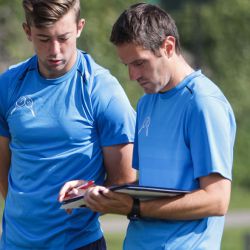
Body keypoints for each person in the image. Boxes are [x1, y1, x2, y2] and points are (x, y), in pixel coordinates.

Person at [59, 2, 237, 250]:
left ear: (168, 46)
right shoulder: (146, 103)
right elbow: (150, 187)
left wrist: (134, 207)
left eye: (139, 63)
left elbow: (217, 200)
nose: (132, 75)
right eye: (127, 65)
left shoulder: (203, 104)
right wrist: (93, 192)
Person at [0, 0, 136, 249]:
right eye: (43, 39)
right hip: (14, 244)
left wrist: (86, 197)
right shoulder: (8, 85)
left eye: (63, 38)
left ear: (79, 27)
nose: (55, 51)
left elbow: (125, 180)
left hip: (79, 244)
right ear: (27, 32)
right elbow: (2, 172)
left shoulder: (103, 91)